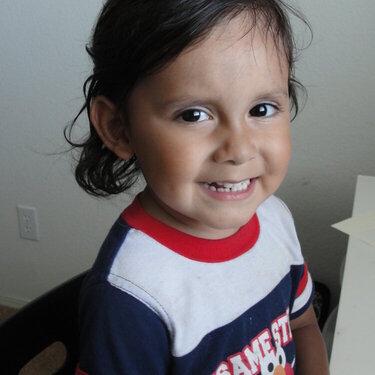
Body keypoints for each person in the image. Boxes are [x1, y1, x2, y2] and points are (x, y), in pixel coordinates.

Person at [66, 0, 329, 374]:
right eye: (194, 115)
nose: (238, 150)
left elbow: (302, 324)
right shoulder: (130, 296)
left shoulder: (273, 218)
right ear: (118, 128)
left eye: (261, 109)